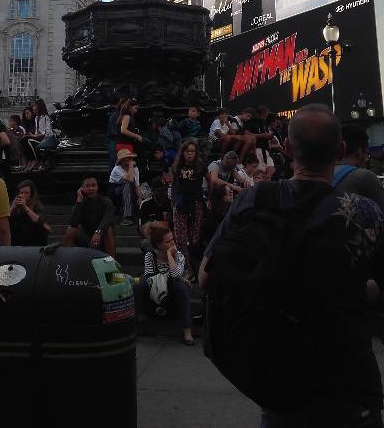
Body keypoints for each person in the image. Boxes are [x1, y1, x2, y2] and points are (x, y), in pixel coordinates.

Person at [202, 104, 384, 428]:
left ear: (286, 148)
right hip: (349, 386)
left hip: (280, 380)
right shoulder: (365, 213)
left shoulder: (253, 199)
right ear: (341, 150)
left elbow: (206, 274)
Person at [136, 223, 194, 345]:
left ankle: (187, 332)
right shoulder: (149, 256)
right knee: (141, 283)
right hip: (155, 299)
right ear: (158, 245)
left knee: (179, 284)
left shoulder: (178, 256)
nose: (173, 243)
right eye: (168, 242)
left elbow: (176, 275)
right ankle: (133, 327)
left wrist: (169, 255)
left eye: (173, 239)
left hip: (173, 301)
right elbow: (150, 278)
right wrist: (171, 277)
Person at [171, 141, 206, 280]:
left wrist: (206, 199)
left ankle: (194, 268)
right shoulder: (177, 166)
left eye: (192, 151)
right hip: (180, 204)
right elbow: (173, 185)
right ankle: (186, 269)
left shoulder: (200, 166)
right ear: (183, 152)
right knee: (180, 239)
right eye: (187, 151)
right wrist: (173, 202)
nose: (190, 154)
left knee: (194, 239)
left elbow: (210, 181)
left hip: (196, 202)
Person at [333, 123, 384, 211]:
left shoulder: (324, 173)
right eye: (367, 154)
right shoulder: (366, 177)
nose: (366, 160)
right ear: (360, 152)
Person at [63, 175, 116, 255]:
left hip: (102, 240)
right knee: (71, 229)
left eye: (93, 185)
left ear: (97, 187)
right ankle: (64, 262)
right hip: (86, 239)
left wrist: (98, 232)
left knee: (108, 229)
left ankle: (111, 264)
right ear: (82, 188)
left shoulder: (106, 202)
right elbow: (73, 223)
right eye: (87, 186)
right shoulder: (80, 202)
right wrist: (79, 201)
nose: (91, 188)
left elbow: (107, 219)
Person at [9, 180, 50, 246]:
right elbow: (4, 220)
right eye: (21, 192)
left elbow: (40, 221)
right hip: (17, 243)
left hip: (35, 243)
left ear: (31, 194)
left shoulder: (37, 204)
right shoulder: (14, 204)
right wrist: (12, 208)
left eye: (26, 193)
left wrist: (25, 207)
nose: (23, 195)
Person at [109, 149, 140, 225]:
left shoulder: (135, 169)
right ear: (122, 160)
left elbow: (137, 184)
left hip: (130, 191)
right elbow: (130, 180)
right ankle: (127, 217)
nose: (130, 160)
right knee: (127, 185)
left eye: (131, 158)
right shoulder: (117, 169)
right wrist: (130, 165)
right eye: (128, 159)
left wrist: (140, 197)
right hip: (116, 191)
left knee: (145, 189)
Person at [105, 99, 126, 168]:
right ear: (121, 105)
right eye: (124, 104)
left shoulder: (127, 116)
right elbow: (113, 131)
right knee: (114, 157)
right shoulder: (114, 115)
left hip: (120, 138)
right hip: (113, 139)